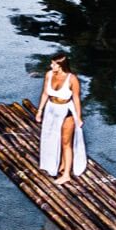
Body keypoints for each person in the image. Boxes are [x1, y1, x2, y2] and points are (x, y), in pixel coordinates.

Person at [35, 51, 86, 184]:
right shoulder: (49, 74)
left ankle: (66, 174)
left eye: (54, 64)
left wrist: (79, 117)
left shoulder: (72, 79)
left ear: (61, 65)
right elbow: (45, 93)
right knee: (51, 137)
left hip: (66, 112)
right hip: (51, 109)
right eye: (52, 64)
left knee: (65, 142)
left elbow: (76, 99)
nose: (51, 66)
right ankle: (60, 164)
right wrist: (40, 111)